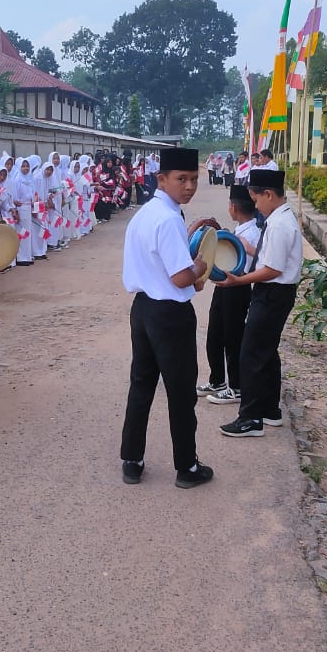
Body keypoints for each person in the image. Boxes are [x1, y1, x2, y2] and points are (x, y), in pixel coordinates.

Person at [118, 146, 214, 489]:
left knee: (141, 385)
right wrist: (200, 265)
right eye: (181, 179)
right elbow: (180, 277)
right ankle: (187, 467)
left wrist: (188, 242)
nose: (189, 186)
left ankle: (132, 459)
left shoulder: (145, 213)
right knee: (181, 391)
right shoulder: (170, 218)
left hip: (142, 310)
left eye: (194, 179)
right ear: (163, 179)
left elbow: (160, 260)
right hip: (170, 316)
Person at [220, 167, 303, 438]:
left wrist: (238, 281)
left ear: (268, 194)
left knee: (252, 353)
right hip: (276, 293)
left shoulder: (279, 224)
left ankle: (251, 418)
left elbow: (272, 270)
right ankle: (270, 410)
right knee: (266, 352)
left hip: (272, 293)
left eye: (256, 200)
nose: (254, 206)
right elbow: (270, 258)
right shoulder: (280, 219)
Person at [200, 184, 263, 405]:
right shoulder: (241, 231)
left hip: (238, 289)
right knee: (215, 335)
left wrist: (247, 249)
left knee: (232, 339)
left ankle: (236, 386)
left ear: (233, 207)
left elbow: (256, 264)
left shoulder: (252, 235)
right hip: (224, 288)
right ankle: (217, 380)